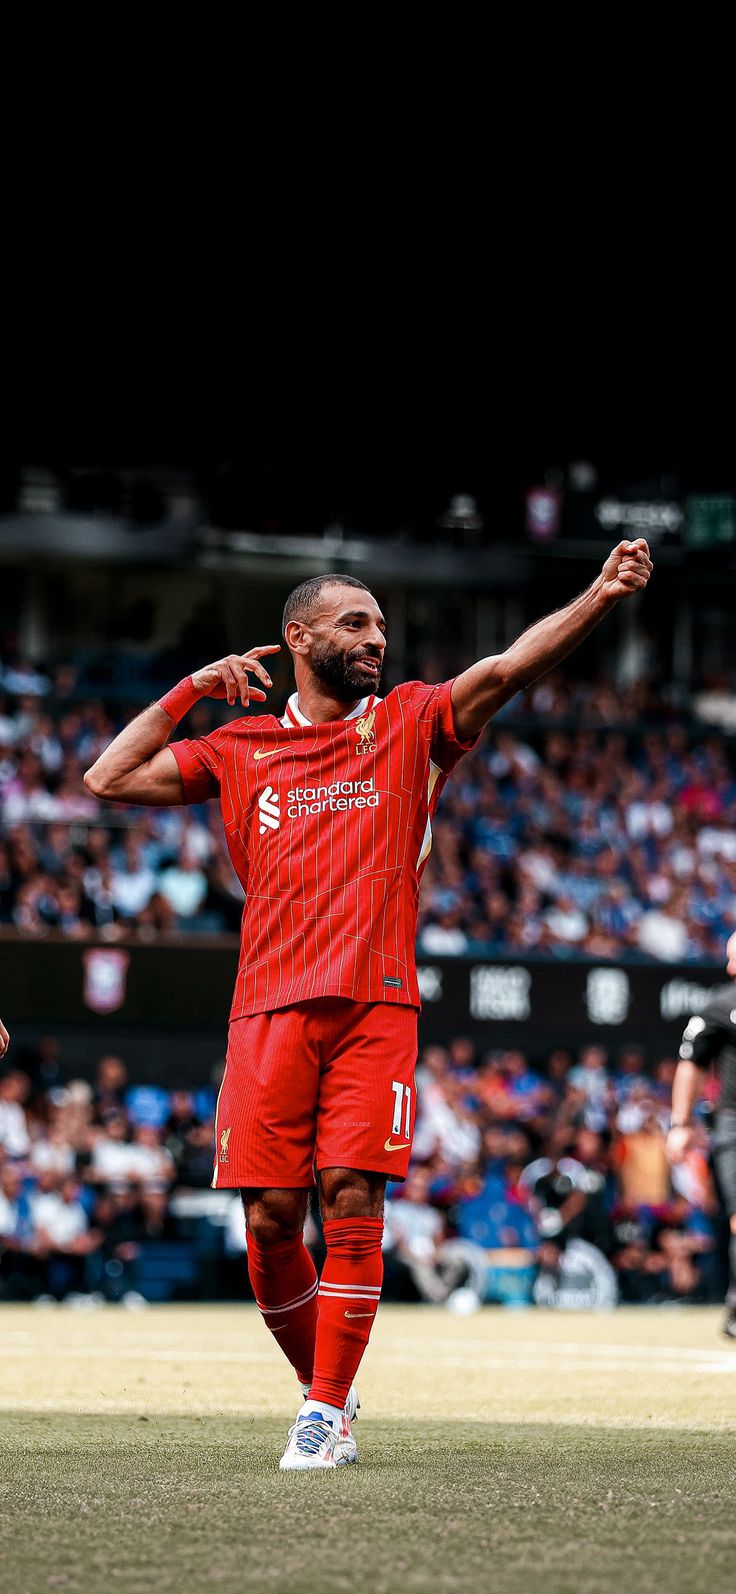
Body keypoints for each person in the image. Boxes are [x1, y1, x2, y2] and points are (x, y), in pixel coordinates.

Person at [84, 540, 652, 1469]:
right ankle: (335, 1403)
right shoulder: (241, 747)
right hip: (265, 1005)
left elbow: (509, 667)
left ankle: (321, 1410)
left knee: (351, 1197)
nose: (376, 639)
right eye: (356, 623)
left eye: (382, 625)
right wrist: (193, 686)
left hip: (372, 1002)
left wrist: (599, 592)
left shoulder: (412, 725)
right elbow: (106, 778)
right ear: (296, 636)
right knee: (269, 1220)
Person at [667, 929, 736, 1338]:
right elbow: (690, 1063)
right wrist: (680, 1124)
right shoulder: (720, 1008)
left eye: (734, 957)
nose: (729, 966)